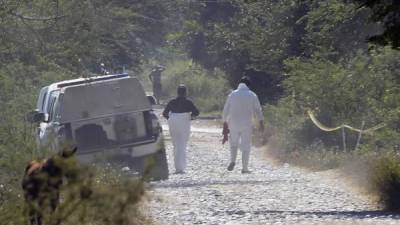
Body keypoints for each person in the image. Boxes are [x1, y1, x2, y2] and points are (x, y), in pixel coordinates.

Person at [222, 76, 264, 173]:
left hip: (233, 123)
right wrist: (261, 122)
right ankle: (245, 168)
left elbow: (226, 109)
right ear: (248, 85)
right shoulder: (252, 95)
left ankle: (232, 161)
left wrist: (225, 121)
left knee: (233, 144)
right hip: (246, 124)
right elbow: (258, 110)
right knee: (246, 146)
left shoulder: (232, 94)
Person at [162, 85, 199, 174]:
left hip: (173, 121)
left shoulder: (172, 101)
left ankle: (177, 167)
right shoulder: (188, 102)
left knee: (176, 144)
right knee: (182, 143)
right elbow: (196, 112)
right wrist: (191, 117)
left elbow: (165, 113)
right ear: (185, 93)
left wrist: (171, 119)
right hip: (184, 121)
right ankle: (181, 167)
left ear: (177, 92)